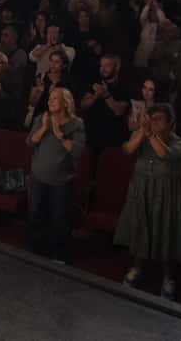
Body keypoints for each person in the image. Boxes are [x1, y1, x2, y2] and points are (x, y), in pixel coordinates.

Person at [114, 104, 181, 301]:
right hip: (141, 190)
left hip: (166, 195)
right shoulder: (143, 136)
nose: (154, 123)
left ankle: (168, 277)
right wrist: (141, 130)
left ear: (171, 123)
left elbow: (165, 154)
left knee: (166, 231)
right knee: (139, 228)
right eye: (151, 118)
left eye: (159, 119)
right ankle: (137, 268)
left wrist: (150, 134)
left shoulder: (180, 142)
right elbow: (128, 150)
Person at [27, 87, 85, 264]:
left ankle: (58, 255)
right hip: (38, 176)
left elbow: (77, 151)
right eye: (49, 98)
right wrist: (44, 127)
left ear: (65, 103)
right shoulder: (41, 119)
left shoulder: (76, 124)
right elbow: (30, 142)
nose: (50, 101)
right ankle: (35, 252)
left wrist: (60, 135)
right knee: (35, 214)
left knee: (59, 218)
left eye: (55, 99)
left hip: (61, 180)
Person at [80, 55, 131, 158]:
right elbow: (83, 106)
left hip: (112, 138)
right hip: (91, 135)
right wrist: (95, 96)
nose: (103, 69)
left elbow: (119, 111)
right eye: (101, 66)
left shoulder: (124, 86)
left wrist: (106, 95)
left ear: (116, 67)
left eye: (107, 66)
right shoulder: (94, 83)